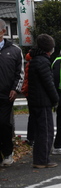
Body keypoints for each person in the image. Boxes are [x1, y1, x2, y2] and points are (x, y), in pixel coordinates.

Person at [27, 34, 59, 168]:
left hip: (34, 100)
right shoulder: (43, 61)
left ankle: (40, 159)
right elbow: (48, 83)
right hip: (42, 101)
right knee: (46, 131)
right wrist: (56, 99)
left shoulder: (34, 59)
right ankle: (42, 160)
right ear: (50, 48)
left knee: (40, 131)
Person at [0, 19, 24, 166]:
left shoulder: (15, 50)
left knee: (3, 124)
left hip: (5, 95)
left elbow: (20, 73)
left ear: (3, 31)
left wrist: (15, 89)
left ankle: (8, 153)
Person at [21, 51, 34, 146]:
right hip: (32, 93)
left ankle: (31, 138)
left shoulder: (28, 64)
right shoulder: (33, 65)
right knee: (34, 117)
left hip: (28, 92)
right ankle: (31, 138)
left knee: (32, 116)